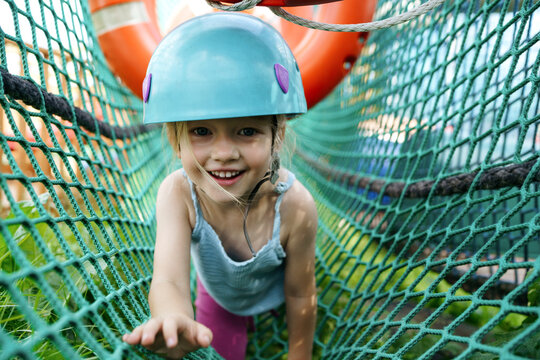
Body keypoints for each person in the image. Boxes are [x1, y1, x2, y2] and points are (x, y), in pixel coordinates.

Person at [122, 12, 318, 360]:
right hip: (218, 295)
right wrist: (174, 315)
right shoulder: (178, 194)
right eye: (201, 131)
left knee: (285, 306)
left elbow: (301, 293)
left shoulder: (295, 207)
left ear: (277, 137)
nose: (224, 153)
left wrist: (299, 353)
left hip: (273, 290)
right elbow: (168, 279)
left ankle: (262, 315)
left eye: (247, 131)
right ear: (175, 139)